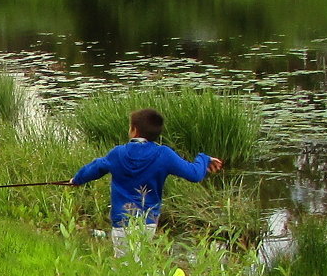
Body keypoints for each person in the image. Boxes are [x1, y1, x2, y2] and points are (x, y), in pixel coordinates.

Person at [69, 107, 223, 257]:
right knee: (139, 261)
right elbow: (194, 174)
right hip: (148, 221)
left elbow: (95, 167)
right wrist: (204, 158)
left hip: (122, 220)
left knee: (124, 264)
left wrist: (77, 179)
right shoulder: (164, 154)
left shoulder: (118, 153)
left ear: (134, 130)